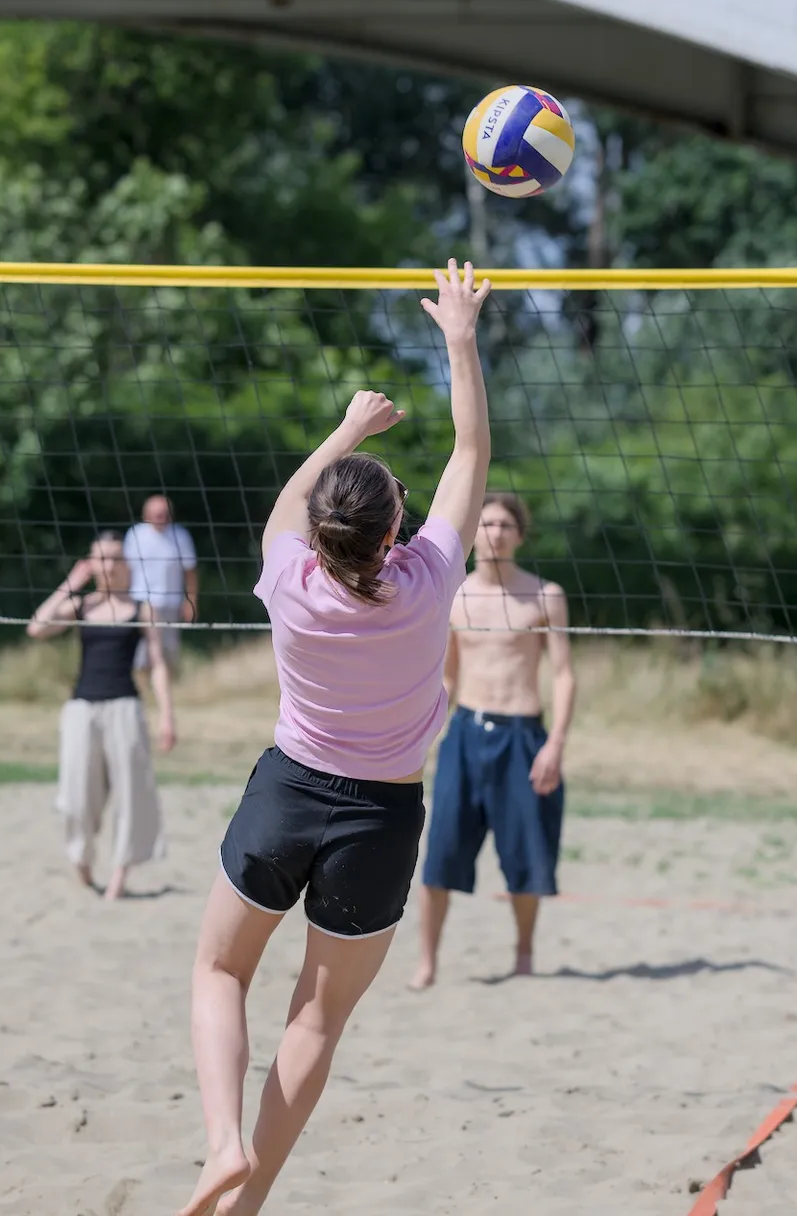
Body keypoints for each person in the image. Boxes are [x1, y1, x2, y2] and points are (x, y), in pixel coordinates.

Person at [177, 260, 491, 1216]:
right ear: (398, 528)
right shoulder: (431, 580)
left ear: (317, 537)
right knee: (315, 1018)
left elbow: (294, 499)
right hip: (383, 817)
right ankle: (249, 1196)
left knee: (219, 971)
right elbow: (470, 457)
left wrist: (350, 426)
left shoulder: (288, 581)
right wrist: (460, 341)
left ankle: (221, 1142)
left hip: (287, 794)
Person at [410, 491, 575, 988]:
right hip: (465, 734)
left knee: (526, 856)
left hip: (523, 734)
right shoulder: (455, 594)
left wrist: (556, 744)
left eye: (505, 524)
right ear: (473, 533)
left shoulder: (545, 595)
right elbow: (449, 677)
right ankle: (428, 963)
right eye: (486, 524)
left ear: (519, 535)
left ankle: (524, 954)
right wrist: (420, 734)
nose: (495, 533)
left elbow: (564, 674)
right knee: (440, 854)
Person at [27, 532, 177, 901]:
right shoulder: (82, 605)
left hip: (125, 707)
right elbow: (37, 627)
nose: (108, 565)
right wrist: (71, 583)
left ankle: (118, 876)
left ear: (125, 565)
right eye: (101, 559)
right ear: (92, 565)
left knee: (130, 795)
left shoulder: (142, 608)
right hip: (81, 708)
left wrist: (167, 717)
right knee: (77, 797)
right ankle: (81, 860)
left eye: (114, 558)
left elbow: (157, 664)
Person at [122, 494, 199, 676]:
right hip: (141, 602)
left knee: (169, 652)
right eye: (157, 514)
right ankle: (143, 693)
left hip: (170, 603)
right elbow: (126, 571)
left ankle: (168, 690)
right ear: (146, 514)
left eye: (165, 514)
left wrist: (191, 601)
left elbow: (190, 572)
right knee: (141, 654)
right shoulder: (135, 535)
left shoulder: (180, 535)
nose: (161, 518)